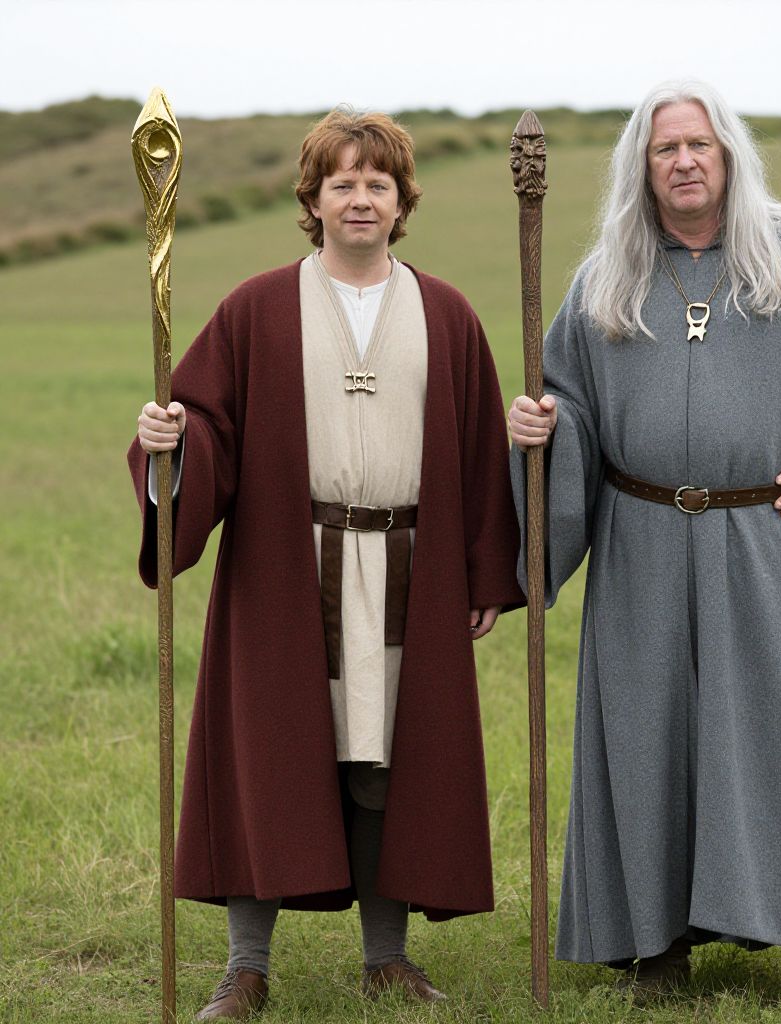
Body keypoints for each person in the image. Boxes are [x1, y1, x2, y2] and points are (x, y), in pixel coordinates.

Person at [507, 80, 781, 1013]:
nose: (685, 161)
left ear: (729, 154)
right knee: (647, 738)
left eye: (699, 144)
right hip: (643, 543)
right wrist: (544, 429)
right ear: (642, 167)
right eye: (666, 149)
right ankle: (655, 946)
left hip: (773, 540)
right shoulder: (606, 281)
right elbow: (568, 401)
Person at [129, 109, 522, 1020]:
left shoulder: (446, 313)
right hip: (284, 568)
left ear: (402, 202)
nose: (360, 199)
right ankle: (245, 968)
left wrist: (480, 573)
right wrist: (171, 444)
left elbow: (476, 450)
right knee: (269, 758)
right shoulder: (257, 308)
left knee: (387, 761)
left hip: (408, 570)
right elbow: (206, 423)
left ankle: (388, 958)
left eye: (378, 184)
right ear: (312, 200)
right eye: (341, 183)